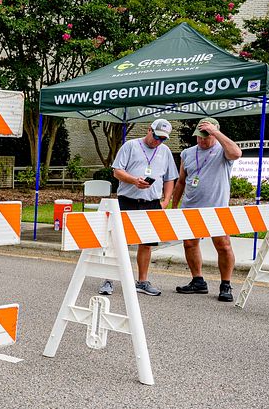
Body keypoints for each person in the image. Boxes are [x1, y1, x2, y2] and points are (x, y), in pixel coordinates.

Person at [99, 118, 178, 297]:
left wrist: (165, 201)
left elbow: (170, 178)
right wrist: (134, 181)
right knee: (118, 242)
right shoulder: (130, 146)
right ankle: (108, 280)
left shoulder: (165, 151)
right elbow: (117, 171)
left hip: (151, 203)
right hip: (128, 199)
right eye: (156, 136)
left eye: (163, 139)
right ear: (149, 130)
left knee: (147, 244)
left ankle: (142, 281)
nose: (158, 141)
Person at [170, 117, 243, 302]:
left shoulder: (223, 151)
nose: (202, 140)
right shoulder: (187, 153)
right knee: (190, 244)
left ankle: (225, 284)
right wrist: (174, 205)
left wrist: (215, 133)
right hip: (191, 207)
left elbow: (236, 153)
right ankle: (198, 281)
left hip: (216, 209)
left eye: (206, 136)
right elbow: (181, 181)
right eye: (199, 137)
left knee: (223, 245)